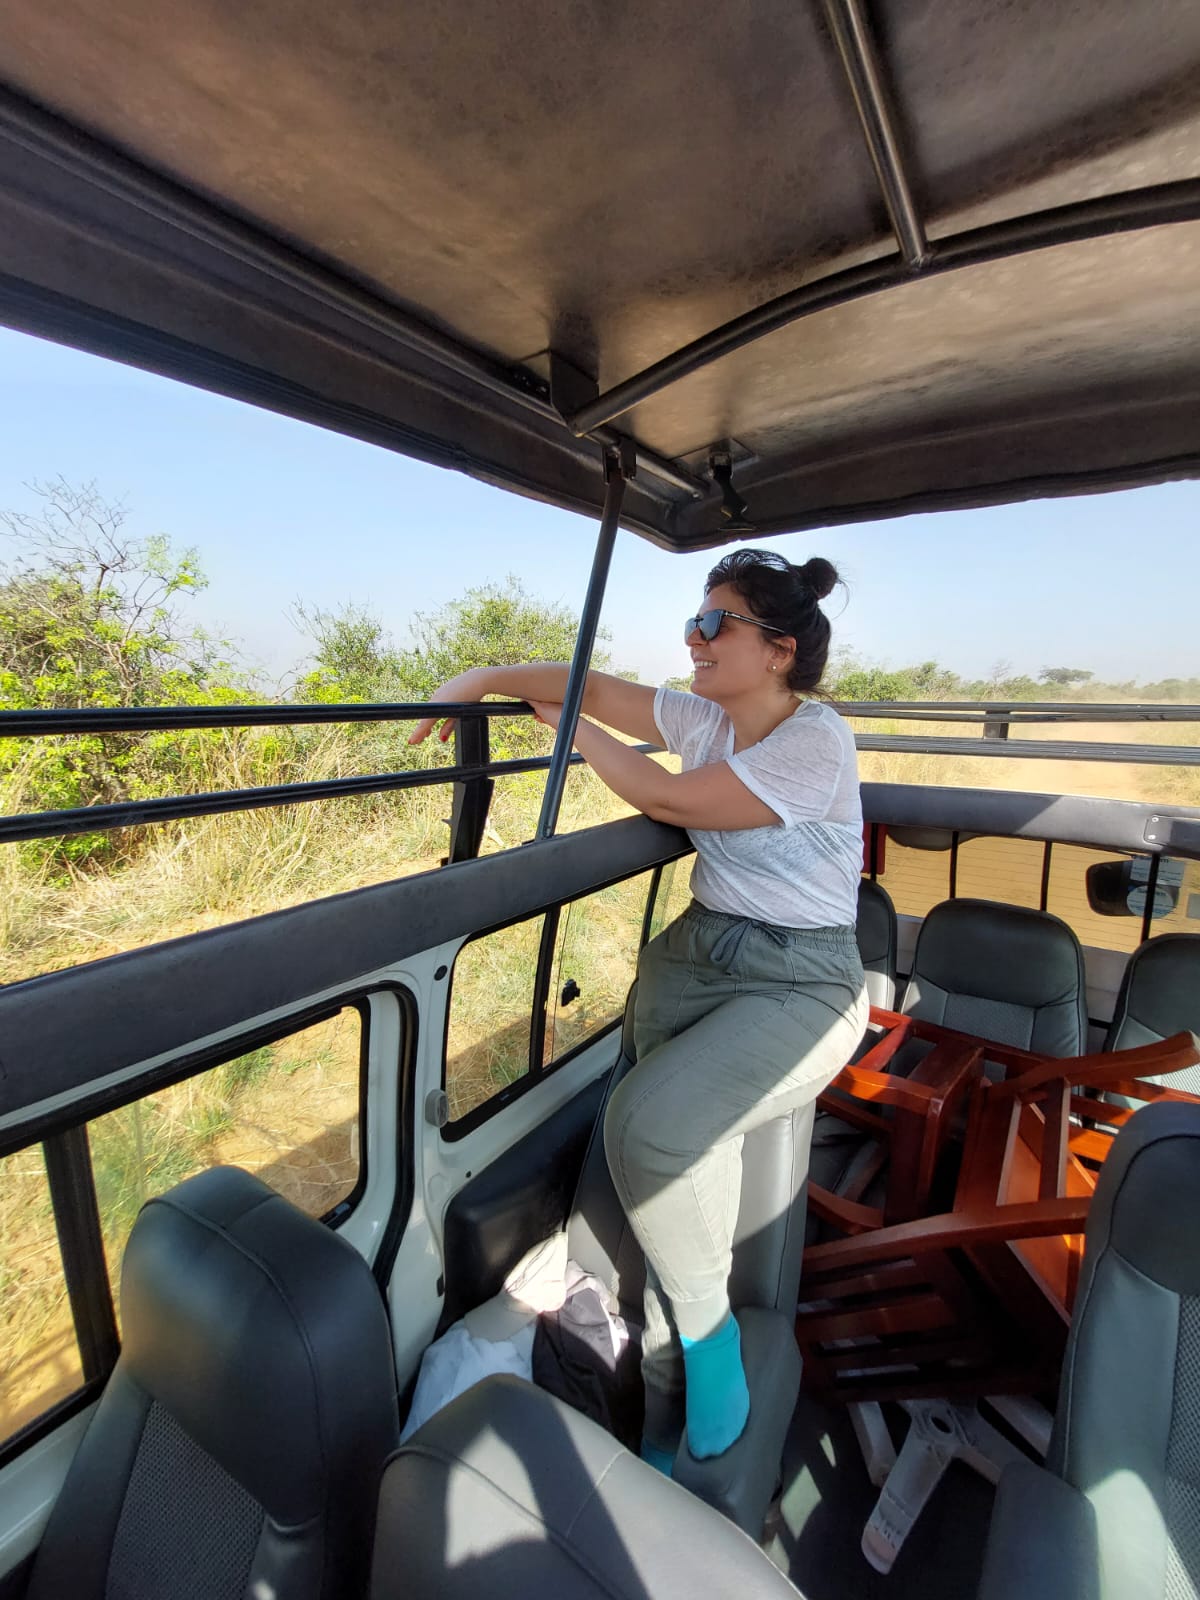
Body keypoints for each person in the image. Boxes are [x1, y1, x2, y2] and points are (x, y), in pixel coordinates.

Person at [410, 549, 868, 1469]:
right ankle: (655, 1406)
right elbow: (591, 683)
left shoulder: (816, 741)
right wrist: (484, 678)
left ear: (778, 650)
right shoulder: (705, 717)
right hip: (699, 952)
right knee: (663, 1173)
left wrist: (574, 728)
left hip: (802, 979)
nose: (692, 638)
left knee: (648, 1131)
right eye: (694, 620)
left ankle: (709, 1338)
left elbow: (663, 792)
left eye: (714, 623)